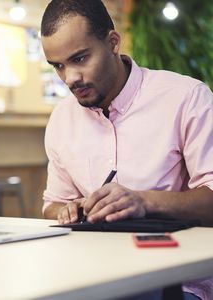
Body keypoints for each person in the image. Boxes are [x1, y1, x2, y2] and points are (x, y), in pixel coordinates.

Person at [40, 1, 213, 299]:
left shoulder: (186, 98)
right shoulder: (61, 119)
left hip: (176, 279)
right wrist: (69, 209)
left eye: (80, 58)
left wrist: (143, 201)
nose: (69, 78)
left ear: (113, 43)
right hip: (92, 275)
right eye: (58, 66)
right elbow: (52, 205)